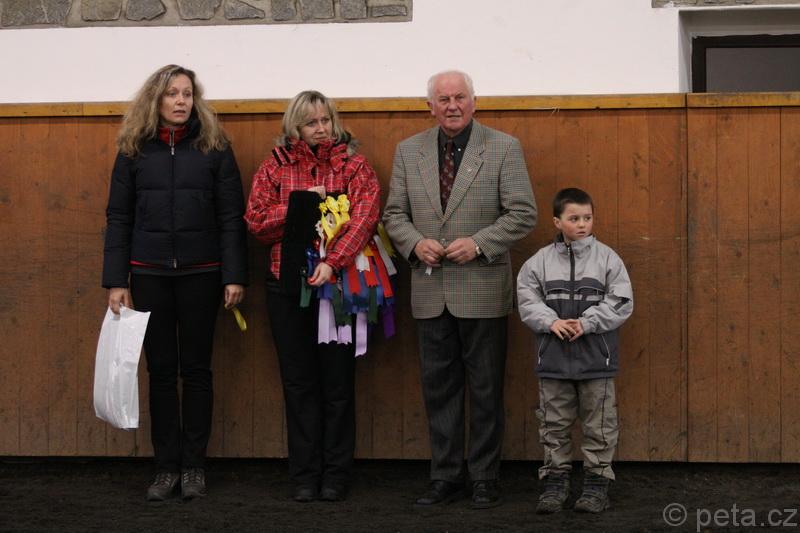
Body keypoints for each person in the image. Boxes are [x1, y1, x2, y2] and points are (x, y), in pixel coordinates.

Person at [383, 70, 537, 509]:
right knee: (439, 389)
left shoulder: (503, 147)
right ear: (429, 106)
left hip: (483, 288)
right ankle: (445, 476)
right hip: (430, 291)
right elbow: (394, 215)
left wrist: (480, 244)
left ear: (474, 101)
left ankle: (485, 477)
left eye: (460, 97)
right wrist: (415, 244)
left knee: (486, 389)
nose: (452, 105)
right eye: (443, 99)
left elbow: (523, 213)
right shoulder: (408, 150)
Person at [102, 64, 248, 501]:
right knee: (161, 372)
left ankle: (194, 467)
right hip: (148, 275)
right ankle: (165, 468)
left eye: (187, 93)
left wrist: (234, 274)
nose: (181, 101)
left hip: (203, 274)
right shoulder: (133, 149)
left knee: (197, 371)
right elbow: (118, 217)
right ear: (156, 99)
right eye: (172, 94)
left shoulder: (215, 147)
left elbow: (231, 217)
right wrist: (116, 280)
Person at [245, 90, 380, 503]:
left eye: (326, 120)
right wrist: (302, 205)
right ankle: (304, 473)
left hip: (338, 287)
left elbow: (365, 218)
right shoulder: (275, 165)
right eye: (311, 123)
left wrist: (334, 263)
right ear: (295, 127)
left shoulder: (355, 165)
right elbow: (256, 222)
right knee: (299, 383)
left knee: (338, 383)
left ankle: (336, 474)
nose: (321, 129)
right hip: (285, 286)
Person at [516, 187, 633, 514]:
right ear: (557, 222)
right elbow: (526, 300)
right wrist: (551, 322)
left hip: (597, 361)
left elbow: (622, 301)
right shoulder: (538, 262)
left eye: (587, 218)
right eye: (574, 218)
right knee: (553, 426)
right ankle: (555, 483)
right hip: (553, 362)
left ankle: (596, 485)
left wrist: (587, 322)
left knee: (600, 426)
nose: (582, 224)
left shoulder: (608, 259)